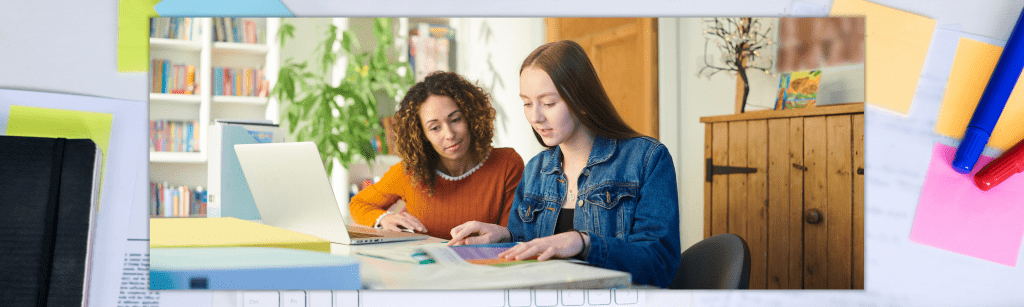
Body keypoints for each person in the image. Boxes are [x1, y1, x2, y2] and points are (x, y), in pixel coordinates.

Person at [448, 40, 681, 288]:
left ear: (581, 99)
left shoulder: (647, 158)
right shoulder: (536, 170)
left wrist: (583, 242)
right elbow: (527, 247)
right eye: (527, 103)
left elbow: (659, 265)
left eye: (548, 103)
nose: (535, 117)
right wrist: (504, 236)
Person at [349, 71, 524, 240]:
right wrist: (384, 219)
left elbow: (514, 234)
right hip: (424, 268)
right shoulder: (409, 171)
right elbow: (359, 204)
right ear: (422, 134)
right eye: (435, 128)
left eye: (455, 120)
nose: (449, 134)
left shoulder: (507, 163)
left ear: (470, 117)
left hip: (487, 266)